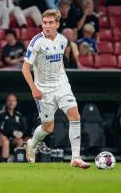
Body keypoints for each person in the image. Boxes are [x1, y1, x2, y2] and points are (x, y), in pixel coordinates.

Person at [22, 9, 90, 169]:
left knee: (75, 116)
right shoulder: (36, 41)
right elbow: (25, 68)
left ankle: (75, 158)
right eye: (45, 22)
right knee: (48, 128)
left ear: (57, 24)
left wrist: (63, 80)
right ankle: (32, 143)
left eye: (51, 23)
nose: (47, 26)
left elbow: (59, 62)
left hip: (62, 85)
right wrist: (33, 89)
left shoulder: (63, 40)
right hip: (43, 90)